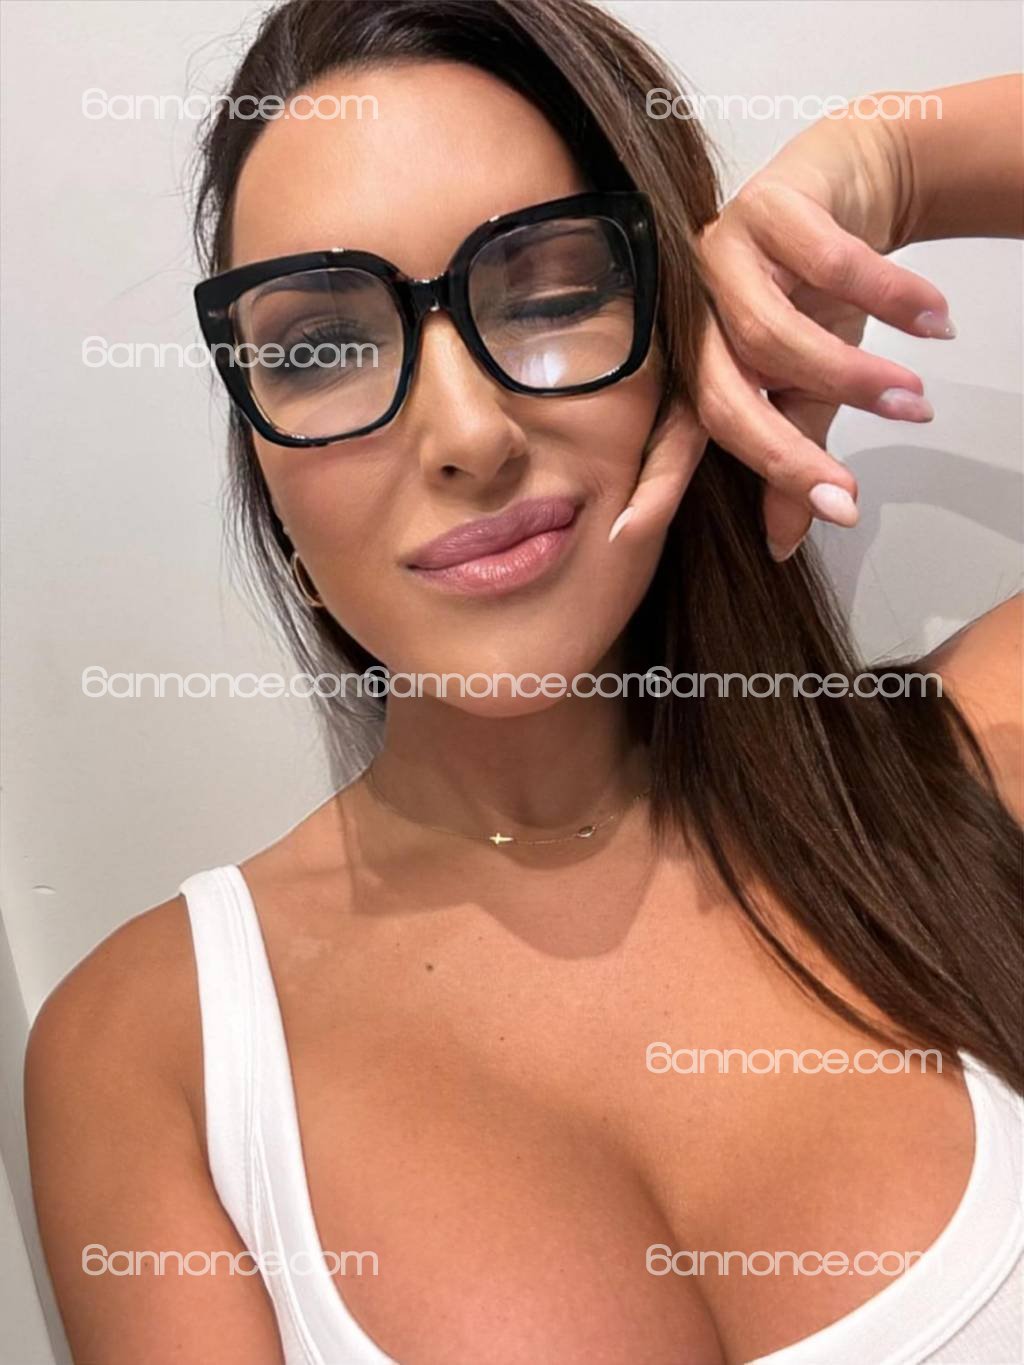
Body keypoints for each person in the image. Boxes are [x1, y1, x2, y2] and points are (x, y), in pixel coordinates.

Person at [24, 2, 1022, 1362]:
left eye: (550, 294)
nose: (468, 434)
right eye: (322, 348)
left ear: (679, 322)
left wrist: (893, 166)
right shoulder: (159, 1051)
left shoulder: (980, 762)